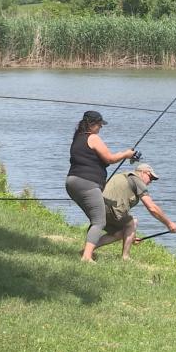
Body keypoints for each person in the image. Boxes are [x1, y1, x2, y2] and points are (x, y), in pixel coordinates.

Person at [65, 110, 138, 263]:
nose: (100, 127)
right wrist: (126, 154)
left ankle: (89, 251)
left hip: (72, 182)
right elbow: (110, 158)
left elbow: (92, 160)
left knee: (96, 219)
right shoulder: (93, 137)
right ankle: (86, 257)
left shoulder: (78, 138)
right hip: (87, 183)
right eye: (99, 124)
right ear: (91, 124)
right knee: (99, 221)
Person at [94, 163, 176, 260]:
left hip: (96, 208)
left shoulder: (123, 176)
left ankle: (86, 251)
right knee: (133, 222)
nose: (150, 181)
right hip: (109, 208)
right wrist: (169, 224)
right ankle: (125, 257)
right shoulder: (137, 180)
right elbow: (152, 207)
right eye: (150, 177)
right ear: (143, 173)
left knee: (119, 233)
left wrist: (131, 236)